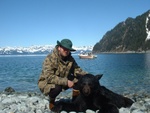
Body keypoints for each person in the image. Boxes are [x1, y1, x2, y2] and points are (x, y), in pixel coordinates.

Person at [38, 39, 87, 110]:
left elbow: (77, 70)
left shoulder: (70, 59)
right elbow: (49, 77)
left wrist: (89, 76)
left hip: (63, 78)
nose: (66, 51)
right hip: (46, 82)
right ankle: (52, 101)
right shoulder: (50, 59)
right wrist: (66, 82)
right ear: (59, 48)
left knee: (79, 80)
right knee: (57, 88)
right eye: (64, 48)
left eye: (68, 49)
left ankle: (75, 101)